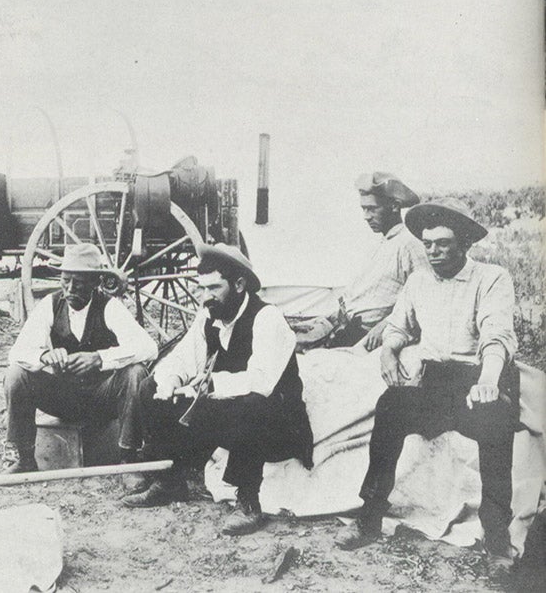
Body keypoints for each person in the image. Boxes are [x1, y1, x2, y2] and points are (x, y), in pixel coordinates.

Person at [336, 198, 520, 580]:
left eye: (443, 243)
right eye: (428, 243)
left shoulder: (492, 277)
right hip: (435, 381)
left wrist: (488, 381)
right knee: (391, 406)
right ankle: (369, 519)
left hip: (479, 378)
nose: (433, 251)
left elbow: (496, 335)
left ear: (464, 244)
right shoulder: (419, 281)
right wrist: (389, 351)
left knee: (496, 422)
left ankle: (498, 536)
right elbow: (399, 327)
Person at [122, 243, 314, 536]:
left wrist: (210, 384)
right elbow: (183, 357)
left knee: (252, 405)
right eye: (201, 289)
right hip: (231, 414)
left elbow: (261, 382)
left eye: (214, 288)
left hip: (278, 426)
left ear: (239, 285)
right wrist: (171, 381)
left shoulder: (267, 318)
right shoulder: (209, 316)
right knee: (152, 386)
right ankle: (170, 482)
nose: (205, 297)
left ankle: (249, 502)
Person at [1, 243, 158, 478]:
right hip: (63, 398)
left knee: (135, 373)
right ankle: (25, 459)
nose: (70, 289)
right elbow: (17, 353)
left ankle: (128, 462)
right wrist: (44, 356)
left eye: (79, 282)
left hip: (102, 399)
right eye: (66, 281)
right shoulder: (51, 305)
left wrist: (100, 359)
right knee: (16, 374)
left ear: (95, 283)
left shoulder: (109, 307)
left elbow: (148, 348)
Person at [295, 172, 428, 350]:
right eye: (363, 209)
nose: (366, 216)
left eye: (372, 209)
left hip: (367, 337)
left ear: (395, 206)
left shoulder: (410, 244)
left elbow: (423, 300)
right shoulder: (382, 242)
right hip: (344, 326)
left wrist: (385, 326)